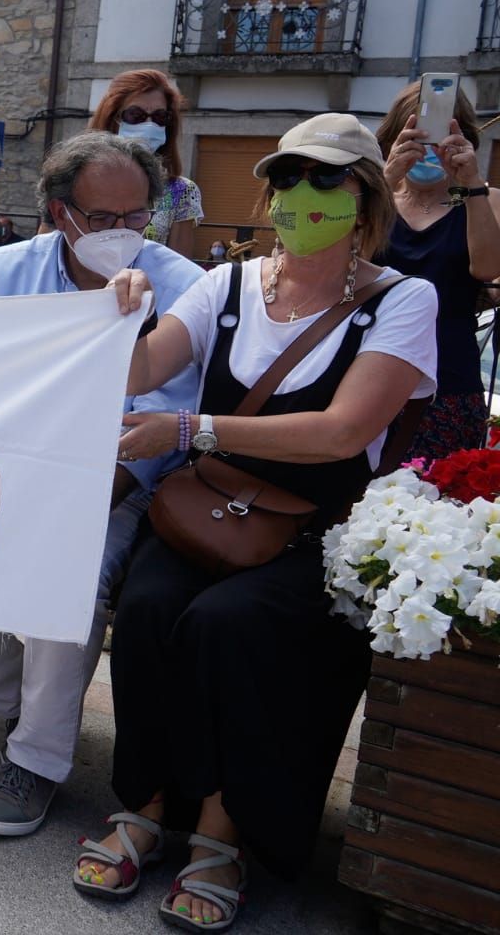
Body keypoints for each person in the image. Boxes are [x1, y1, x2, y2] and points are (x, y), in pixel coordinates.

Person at [83, 113, 436, 929]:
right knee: (143, 610)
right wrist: (119, 308)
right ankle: (144, 807)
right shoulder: (227, 283)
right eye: (285, 177)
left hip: (318, 526)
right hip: (205, 509)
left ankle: (221, 838)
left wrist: (190, 429)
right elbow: (141, 368)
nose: (298, 195)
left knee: (229, 627)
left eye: (325, 180)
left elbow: (345, 431)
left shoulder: (402, 300)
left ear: (365, 198)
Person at [0, 133, 204, 837]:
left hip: (119, 483)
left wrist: (96, 486)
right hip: (6, 465)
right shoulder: (5, 272)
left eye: (137, 216)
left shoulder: (184, 283)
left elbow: (167, 407)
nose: (123, 233)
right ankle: (24, 702)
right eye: (103, 218)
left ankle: (35, 760)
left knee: (68, 579)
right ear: (61, 212)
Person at [376, 82, 500, 459]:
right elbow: (343, 260)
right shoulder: (378, 200)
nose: (428, 151)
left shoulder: (483, 199)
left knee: (429, 503)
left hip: (449, 384)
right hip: (366, 376)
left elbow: (488, 269)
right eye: (416, 136)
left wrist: (471, 186)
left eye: (440, 138)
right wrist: (384, 181)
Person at [89, 69, 202, 258]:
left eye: (160, 117)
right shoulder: (74, 180)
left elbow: (178, 270)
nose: (149, 125)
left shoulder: (181, 192)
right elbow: (47, 253)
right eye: (136, 115)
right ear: (113, 118)